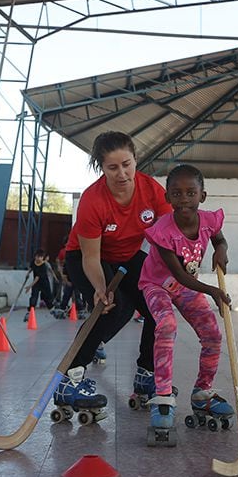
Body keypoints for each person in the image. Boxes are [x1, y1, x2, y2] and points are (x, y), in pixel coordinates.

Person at [56, 131, 173, 419]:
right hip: (87, 257)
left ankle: (147, 373)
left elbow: (171, 232)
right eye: (112, 167)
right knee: (112, 307)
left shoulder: (151, 190)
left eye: (127, 164)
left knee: (157, 309)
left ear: (135, 160)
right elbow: (91, 257)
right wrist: (99, 287)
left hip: (129, 254)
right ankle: (69, 380)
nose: (122, 173)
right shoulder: (93, 200)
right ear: (101, 167)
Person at [138, 164, 233, 434]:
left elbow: (220, 238)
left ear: (202, 196)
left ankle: (202, 394)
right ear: (167, 198)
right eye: (176, 194)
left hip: (184, 285)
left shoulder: (208, 221)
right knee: (166, 325)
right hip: (157, 284)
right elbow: (179, 275)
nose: (184, 200)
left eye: (191, 193)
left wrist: (221, 250)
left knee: (213, 333)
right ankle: (163, 396)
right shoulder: (163, 231)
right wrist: (213, 291)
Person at [24, 249, 54, 321]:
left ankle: (52, 309)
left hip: (44, 283)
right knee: (34, 296)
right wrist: (28, 273)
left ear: (43, 258)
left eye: (40, 257)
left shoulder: (43, 266)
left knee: (47, 297)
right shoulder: (33, 262)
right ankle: (30, 311)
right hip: (36, 284)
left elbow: (37, 277)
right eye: (37, 257)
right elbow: (31, 268)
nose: (38, 258)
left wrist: (29, 286)